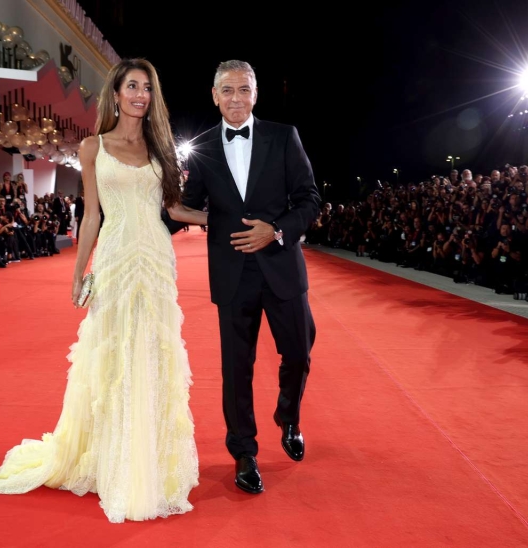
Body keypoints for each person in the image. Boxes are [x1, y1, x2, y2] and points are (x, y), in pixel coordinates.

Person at [0, 58, 207, 523]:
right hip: (118, 258)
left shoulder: (161, 149)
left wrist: (213, 219)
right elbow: (92, 216)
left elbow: (174, 209)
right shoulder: (91, 147)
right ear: (116, 93)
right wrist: (79, 271)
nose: (140, 95)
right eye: (132, 86)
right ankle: (112, 459)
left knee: (152, 352)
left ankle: (149, 461)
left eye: (147, 87)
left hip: (157, 261)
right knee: (115, 356)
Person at [166, 60, 320, 494]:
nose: (236, 98)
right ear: (214, 96)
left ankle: (288, 417)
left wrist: (279, 229)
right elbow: (189, 206)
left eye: (244, 90)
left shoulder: (283, 136)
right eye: (228, 91)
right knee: (237, 368)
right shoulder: (207, 148)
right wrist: (142, 223)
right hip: (232, 273)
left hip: (282, 265)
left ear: (256, 94)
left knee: (299, 351)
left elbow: (309, 199)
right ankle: (244, 452)